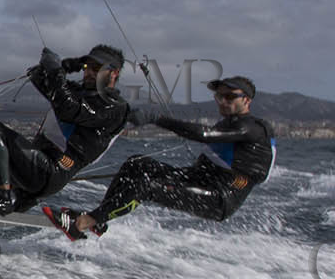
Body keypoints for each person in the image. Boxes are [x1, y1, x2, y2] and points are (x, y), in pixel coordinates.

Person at [44, 76, 275, 241]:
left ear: (247, 100)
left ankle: (82, 224)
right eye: (219, 96)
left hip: (218, 198)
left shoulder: (252, 128)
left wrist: (157, 118)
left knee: (144, 186)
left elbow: (204, 135)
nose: (222, 101)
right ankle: (100, 219)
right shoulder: (231, 123)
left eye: (229, 97)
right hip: (198, 179)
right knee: (137, 163)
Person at [0, 43, 130, 215]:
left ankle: (3, 197)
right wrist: (68, 65)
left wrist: (56, 70)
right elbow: (37, 76)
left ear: (114, 73)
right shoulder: (76, 92)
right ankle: (19, 196)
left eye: (97, 68)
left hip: (53, 170)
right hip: (36, 164)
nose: (90, 72)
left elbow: (67, 109)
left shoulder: (114, 107)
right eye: (87, 66)